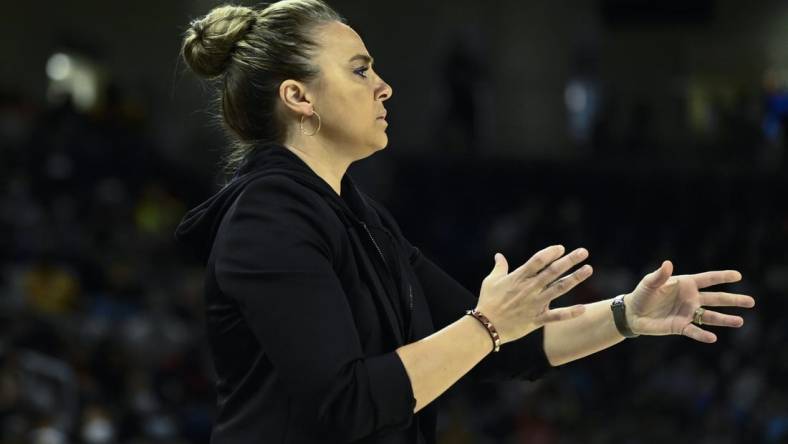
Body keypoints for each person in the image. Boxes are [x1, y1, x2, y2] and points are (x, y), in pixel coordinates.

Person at [173, 1, 756, 442]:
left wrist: (626, 314)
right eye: (359, 70)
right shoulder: (266, 220)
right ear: (299, 96)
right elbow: (346, 402)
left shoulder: (359, 215)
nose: (384, 86)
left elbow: (505, 347)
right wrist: (486, 324)